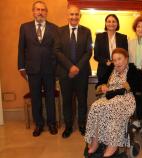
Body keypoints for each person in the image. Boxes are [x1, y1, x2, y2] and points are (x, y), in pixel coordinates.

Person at [85, 48, 142, 157]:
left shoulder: (134, 71)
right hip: (109, 97)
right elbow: (100, 83)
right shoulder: (110, 70)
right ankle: (95, 141)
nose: (117, 62)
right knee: (95, 106)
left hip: (126, 99)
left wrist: (130, 86)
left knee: (112, 107)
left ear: (126, 59)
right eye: (114, 60)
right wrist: (103, 86)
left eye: (119, 59)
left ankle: (113, 144)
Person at [18, 1, 58, 137]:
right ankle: (39, 125)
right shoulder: (24, 27)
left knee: (50, 98)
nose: (40, 12)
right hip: (32, 70)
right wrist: (21, 67)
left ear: (46, 12)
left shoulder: (54, 28)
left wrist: (56, 68)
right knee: (35, 98)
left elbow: (56, 50)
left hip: (49, 70)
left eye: (43, 10)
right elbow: (21, 49)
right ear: (33, 11)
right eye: (37, 9)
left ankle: (52, 123)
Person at [55, 5, 92, 138]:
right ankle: (68, 126)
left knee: (82, 100)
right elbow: (57, 51)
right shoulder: (59, 31)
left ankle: (82, 125)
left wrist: (76, 68)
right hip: (65, 73)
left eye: (76, 14)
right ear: (67, 16)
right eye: (71, 14)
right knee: (67, 101)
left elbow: (88, 52)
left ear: (80, 16)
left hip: (81, 73)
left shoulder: (86, 32)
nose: (74, 17)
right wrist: (70, 67)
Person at [94, 14, 128, 81]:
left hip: (119, 71)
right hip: (103, 71)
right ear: (106, 23)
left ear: (117, 23)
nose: (111, 23)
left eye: (114, 21)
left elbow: (126, 54)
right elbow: (96, 55)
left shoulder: (123, 37)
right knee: (104, 91)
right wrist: (106, 61)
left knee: (118, 91)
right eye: (109, 21)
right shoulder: (99, 37)